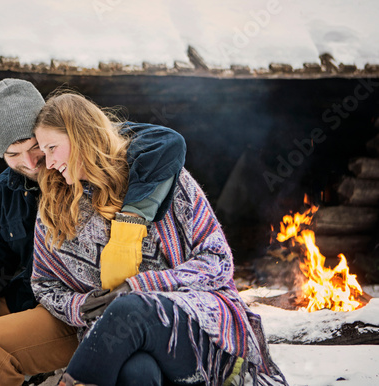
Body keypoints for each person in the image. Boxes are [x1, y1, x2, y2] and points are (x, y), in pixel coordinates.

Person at [0, 79, 187, 385]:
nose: (29, 163)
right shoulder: (3, 193)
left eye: (34, 147)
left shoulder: (84, 159)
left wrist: (131, 220)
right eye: (13, 155)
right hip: (26, 297)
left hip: (75, 304)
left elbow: (165, 140)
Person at [31, 91, 288, 386]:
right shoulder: (55, 207)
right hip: (116, 340)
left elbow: (218, 261)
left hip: (194, 328)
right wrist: (79, 305)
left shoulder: (163, 178)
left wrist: (139, 286)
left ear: (80, 136)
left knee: (128, 308)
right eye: (44, 151)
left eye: (52, 147)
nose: (48, 163)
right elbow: (44, 284)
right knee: (137, 373)